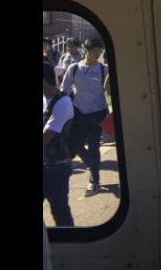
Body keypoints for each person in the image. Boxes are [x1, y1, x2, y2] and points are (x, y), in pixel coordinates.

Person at [60, 38, 109, 196]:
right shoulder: (74, 68)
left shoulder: (103, 69)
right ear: (87, 50)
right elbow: (64, 90)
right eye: (97, 50)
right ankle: (92, 166)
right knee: (75, 145)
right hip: (79, 113)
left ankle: (94, 180)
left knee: (94, 146)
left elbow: (110, 89)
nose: (99, 53)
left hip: (98, 112)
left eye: (100, 51)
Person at [43, 62, 75, 226]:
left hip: (56, 168)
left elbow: (46, 137)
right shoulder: (44, 99)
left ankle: (73, 247)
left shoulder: (63, 102)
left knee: (60, 211)